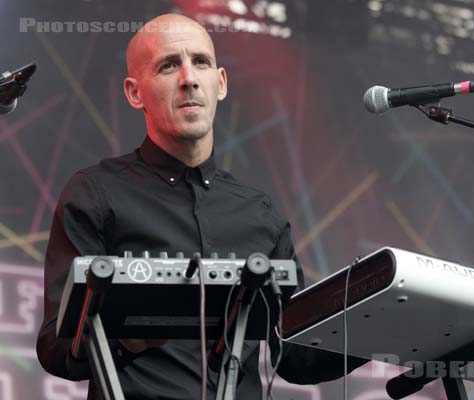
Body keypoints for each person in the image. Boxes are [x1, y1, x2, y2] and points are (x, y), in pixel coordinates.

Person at [36, 13, 366, 400]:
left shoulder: (260, 212)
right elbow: (56, 347)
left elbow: (293, 356)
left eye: (201, 62)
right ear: (134, 92)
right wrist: (134, 333)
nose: (188, 78)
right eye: (168, 65)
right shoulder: (95, 193)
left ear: (220, 83)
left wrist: (382, 326)